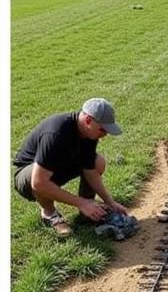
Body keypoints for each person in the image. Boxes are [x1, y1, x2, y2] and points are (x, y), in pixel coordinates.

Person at [13, 97, 128, 238]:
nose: (105, 135)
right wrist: (80, 203)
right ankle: (50, 214)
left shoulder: (89, 134)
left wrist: (109, 201)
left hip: (57, 166)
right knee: (37, 178)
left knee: (98, 162)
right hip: (28, 175)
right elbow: (38, 182)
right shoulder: (56, 133)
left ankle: (89, 209)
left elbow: (90, 170)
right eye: (103, 130)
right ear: (87, 120)